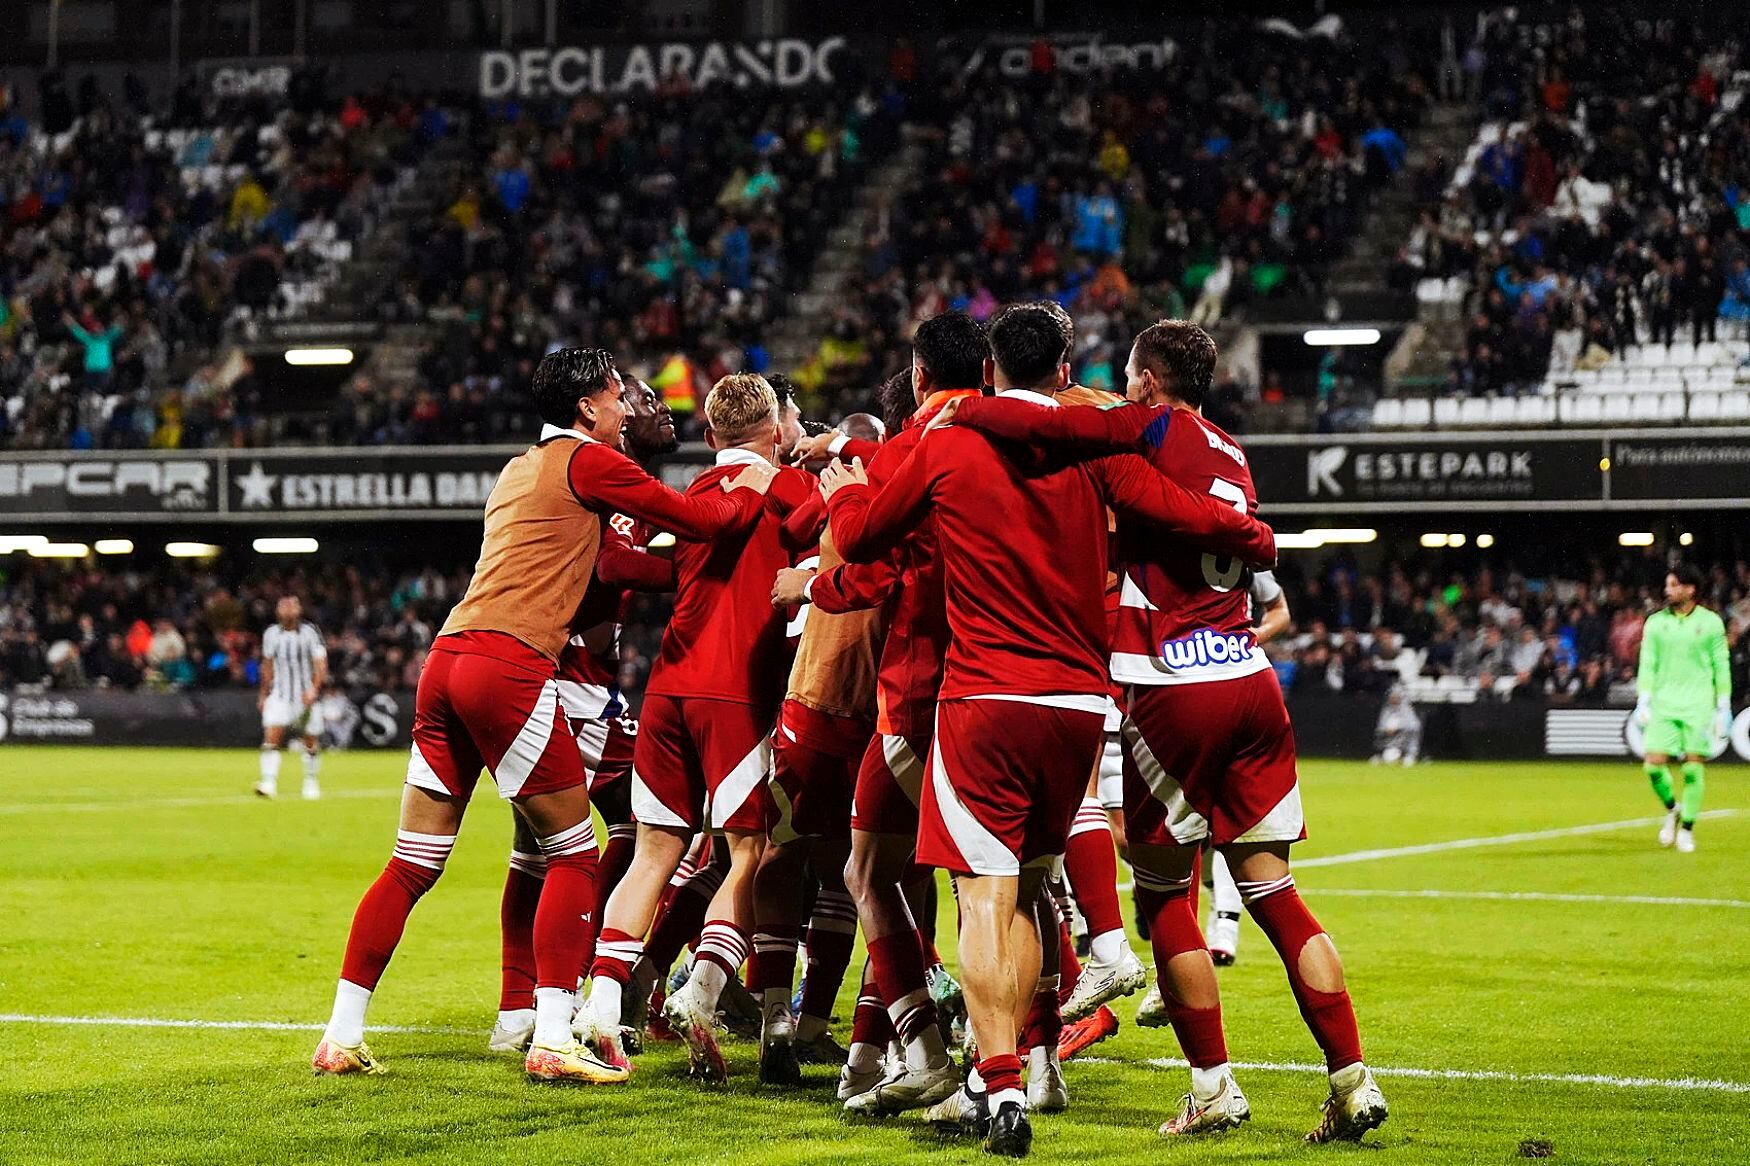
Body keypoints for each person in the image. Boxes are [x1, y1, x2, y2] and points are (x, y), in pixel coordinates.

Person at [824, 303, 1275, 1157]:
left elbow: (857, 538)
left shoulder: (949, 440)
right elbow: (1179, 505)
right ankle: (1032, 1063)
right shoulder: (1099, 448)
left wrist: (844, 485)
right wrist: (1253, 534)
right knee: (1031, 893)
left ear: (987, 369)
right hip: (1077, 707)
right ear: (1066, 369)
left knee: (982, 900)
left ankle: (994, 1089)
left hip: (985, 699)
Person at [941, 319, 1387, 1144]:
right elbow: (1236, 535)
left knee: (1162, 899)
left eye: (1130, 375)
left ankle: (1213, 1086)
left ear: (1147, 380)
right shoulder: (1232, 452)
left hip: (1173, 684)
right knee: (1277, 894)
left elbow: (1050, 427)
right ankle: (1353, 1080)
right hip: (1250, 678)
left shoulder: (1144, 431)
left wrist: (964, 412)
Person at [311, 348, 775, 1085]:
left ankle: (341, 1031)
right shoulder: (590, 462)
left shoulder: (516, 468)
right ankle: (553, 1033)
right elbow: (698, 516)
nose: (628, 409)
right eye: (619, 397)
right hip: (512, 665)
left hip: (446, 658)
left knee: (412, 863)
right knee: (573, 855)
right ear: (590, 406)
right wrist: (756, 484)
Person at [774, 315, 989, 1115]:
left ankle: (943, 1058)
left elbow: (868, 558)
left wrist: (827, 546)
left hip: (918, 689)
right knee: (1000, 889)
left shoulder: (916, 453)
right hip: (1018, 688)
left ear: (922, 381)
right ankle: (1008, 1068)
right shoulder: (1024, 448)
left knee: (889, 877)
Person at [583, 373, 814, 1084]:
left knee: (655, 849)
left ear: (710, 437)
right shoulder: (789, 492)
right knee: (747, 851)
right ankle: (702, 992)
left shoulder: (685, 498)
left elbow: (627, 562)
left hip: (666, 687)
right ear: (775, 430)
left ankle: (602, 1001)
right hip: (736, 692)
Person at [491, 377, 679, 1055]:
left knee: (535, 852)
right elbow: (609, 567)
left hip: (564, 681)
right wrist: (691, 571)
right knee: (646, 823)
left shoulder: (600, 475)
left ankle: (521, 1007)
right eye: (643, 400)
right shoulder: (610, 478)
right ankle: (574, 990)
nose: (652, 410)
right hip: (571, 685)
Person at [1205, 569, 1292, 967]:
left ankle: (1224, 924)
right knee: (1158, 836)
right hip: (1173, 691)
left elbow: (1278, 610)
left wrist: (1247, 639)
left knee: (1225, 827)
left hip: (1227, 691)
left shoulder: (1243, 543)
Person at [1636, 564, 1731, 854]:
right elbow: (1648, 663)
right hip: (1664, 703)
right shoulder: (1654, 622)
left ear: (1690, 589)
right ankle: (1673, 808)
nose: (1668, 590)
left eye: (1674, 584)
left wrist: (1723, 704)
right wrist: (1644, 698)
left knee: (1692, 768)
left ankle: (1687, 830)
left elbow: (1721, 664)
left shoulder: (1712, 622)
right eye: (1667, 584)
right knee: (1652, 766)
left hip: (1698, 704)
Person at [255, 596, 327, 801]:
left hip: (304, 694)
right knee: (271, 736)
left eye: (292, 605)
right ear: (277, 610)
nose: (287, 610)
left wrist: (314, 689)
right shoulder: (271, 634)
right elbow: (267, 665)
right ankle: (268, 782)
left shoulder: (310, 633)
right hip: (280, 694)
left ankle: (311, 781)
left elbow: (320, 664)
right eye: (283, 605)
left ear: (299, 609)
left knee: (310, 739)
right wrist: (263, 693)